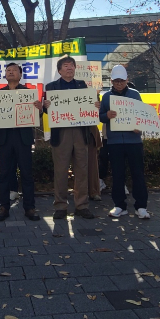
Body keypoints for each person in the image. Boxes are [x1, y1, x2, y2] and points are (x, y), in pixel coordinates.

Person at [43, 56, 99, 220]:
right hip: (61, 134)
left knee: (82, 169)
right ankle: (60, 206)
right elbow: (47, 111)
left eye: (72, 66)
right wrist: (46, 106)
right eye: (66, 66)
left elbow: (92, 105)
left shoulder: (83, 86)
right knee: (60, 171)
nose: (69, 69)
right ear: (59, 70)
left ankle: (82, 205)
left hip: (80, 132)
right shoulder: (51, 87)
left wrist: (96, 103)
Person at [0, 62, 42, 222]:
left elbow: (36, 116)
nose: (11, 72)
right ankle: (3, 207)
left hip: (23, 138)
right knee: (3, 174)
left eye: (14, 70)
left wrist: (39, 108)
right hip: (5, 138)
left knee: (26, 173)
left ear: (20, 74)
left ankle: (29, 207)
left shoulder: (29, 93)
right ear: (5, 74)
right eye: (8, 70)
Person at [99, 65, 150, 219]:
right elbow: (100, 116)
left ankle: (141, 206)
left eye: (121, 81)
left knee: (138, 174)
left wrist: (139, 128)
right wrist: (106, 115)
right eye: (116, 81)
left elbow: (143, 115)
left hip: (134, 141)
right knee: (117, 174)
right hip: (114, 142)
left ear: (127, 80)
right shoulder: (106, 97)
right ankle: (119, 205)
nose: (119, 84)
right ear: (111, 81)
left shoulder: (135, 94)